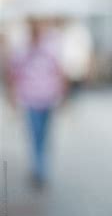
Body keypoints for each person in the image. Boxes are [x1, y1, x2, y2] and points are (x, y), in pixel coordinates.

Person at [4, 18, 67, 188]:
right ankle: (39, 169)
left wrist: (62, 93)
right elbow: (13, 73)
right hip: (30, 98)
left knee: (45, 134)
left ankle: (41, 166)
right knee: (35, 134)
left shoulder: (51, 46)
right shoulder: (22, 49)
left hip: (48, 97)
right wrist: (12, 96)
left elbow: (59, 70)